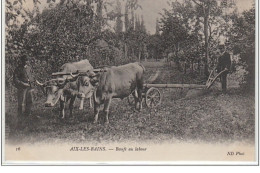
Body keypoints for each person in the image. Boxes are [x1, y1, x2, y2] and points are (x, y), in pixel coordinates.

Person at [13, 54, 35, 125]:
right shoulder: (18, 69)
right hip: (22, 88)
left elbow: (32, 76)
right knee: (21, 103)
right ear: (21, 61)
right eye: (24, 60)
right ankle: (20, 119)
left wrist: (33, 83)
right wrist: (23, 83)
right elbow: (15, 79)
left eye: (27, 60)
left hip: (30, 87)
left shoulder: (29, 68)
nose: (26, 62)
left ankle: (27, 116)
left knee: (30, 101)